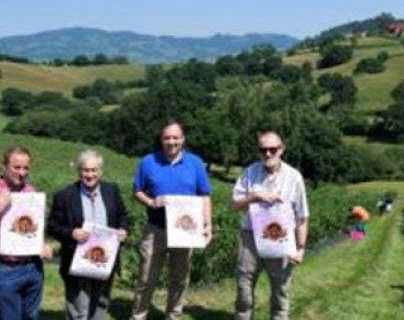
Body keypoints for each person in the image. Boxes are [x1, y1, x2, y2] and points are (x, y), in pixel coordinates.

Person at [130, 120, 213, 320]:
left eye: (175, 137)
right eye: (167, 137)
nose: (171, 141)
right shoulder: (148, 162)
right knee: (146, 277)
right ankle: (138, 316)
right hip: (156, 229)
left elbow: (204, 195)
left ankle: (173, 315)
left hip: (186, 231)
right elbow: (137, 191)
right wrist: (151, 202)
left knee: (179, 278)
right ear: (161, 139)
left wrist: (208, 224)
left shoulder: (195, 163)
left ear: (183, 139)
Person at [231, 131, 308, 320]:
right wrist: (255, 196)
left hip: (281, 238)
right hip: (250, 237)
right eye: (263, 150)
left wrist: (300, 247)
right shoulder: (250, 173)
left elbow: (302, 216)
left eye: (272, 149)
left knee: (280, 288)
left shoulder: (294, 177)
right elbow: (234, 205)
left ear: (281, 150)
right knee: (244, 284)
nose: (267, 154)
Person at [0, 146, 53, 320]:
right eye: (16, 167)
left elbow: (33, 230)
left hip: (33, 266)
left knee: (31, 316)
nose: (22, 173)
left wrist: (42, 245)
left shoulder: (31, 192)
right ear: (4, 166)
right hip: (5, 268)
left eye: (26, 168)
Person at [48, 149, 130, 320]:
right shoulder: (65, 196)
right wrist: (71, 233)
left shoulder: (111, 191)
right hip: (78, 262)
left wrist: (123, 231)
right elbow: (52, 226)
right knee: (79, 309)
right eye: (85, 170)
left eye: (94, 170)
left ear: (101, 171)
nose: (90, 174)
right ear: (79, 171)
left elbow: (122, 216)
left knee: (101, 304)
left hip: (104, 261)